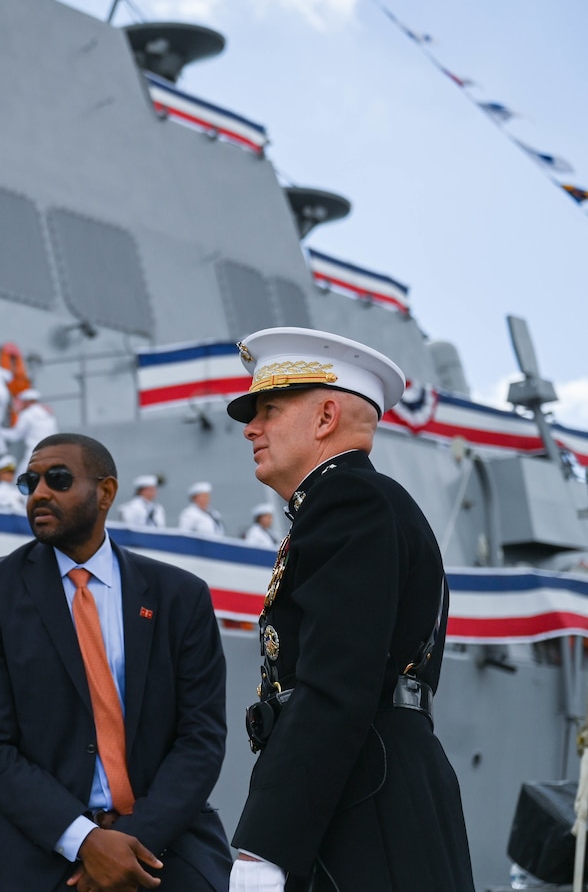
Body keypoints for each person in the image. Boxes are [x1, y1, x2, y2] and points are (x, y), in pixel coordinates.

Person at [225, 327, 473, 892]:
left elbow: (337, 683)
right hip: (379, 785)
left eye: (269, 409)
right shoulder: (362, 503)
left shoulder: (348, 501)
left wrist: (266, 846)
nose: (251, 429)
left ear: (325, 417)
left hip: (362, 799)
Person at [0, 432, 231, 892]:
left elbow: (201, 738)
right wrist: (86, 842)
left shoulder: (180, 596)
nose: (40, 492)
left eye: (58, 479)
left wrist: (130, 844)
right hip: (41, 852)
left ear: (105, 492)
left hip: (163, 850)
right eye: (31, 482)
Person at [1, 388, 60, 460]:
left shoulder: (27, 414)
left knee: (24, 471)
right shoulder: (47, 413)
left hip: (34, 452)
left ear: (27, 402)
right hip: (51, 452)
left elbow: (16, 435)